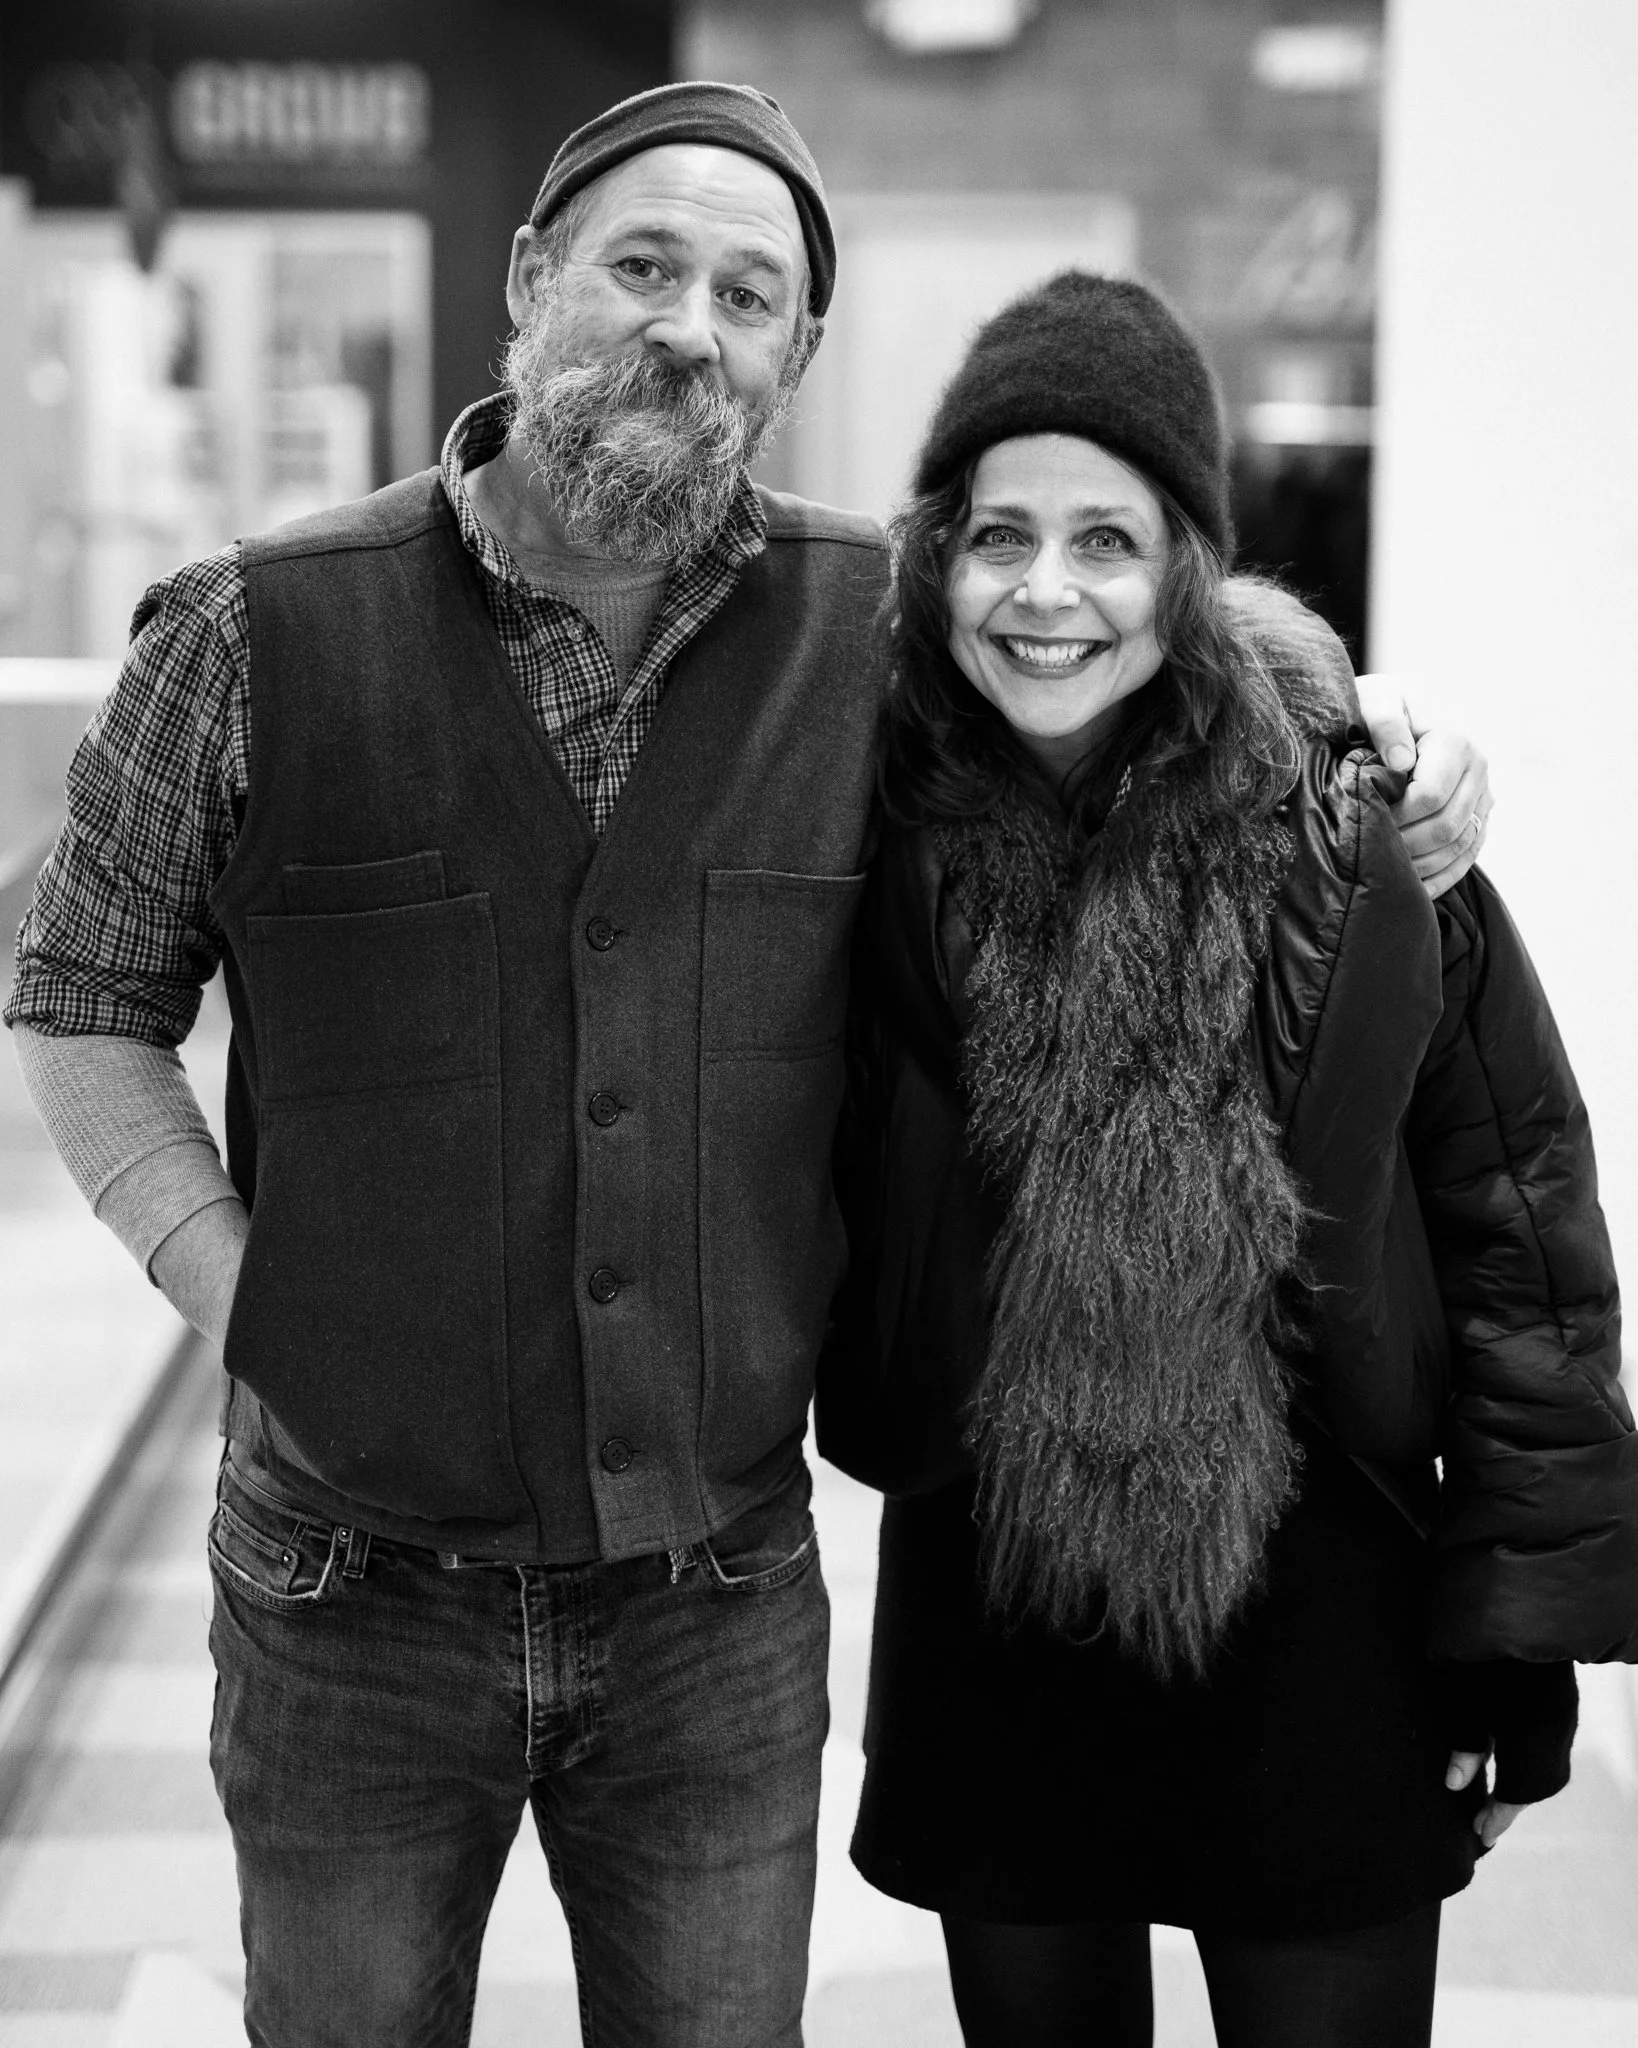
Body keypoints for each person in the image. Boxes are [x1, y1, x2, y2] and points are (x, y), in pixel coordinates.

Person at [4, 81, 1488, 2047]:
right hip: (350, 1592)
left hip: (717, 1594)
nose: (687, 326)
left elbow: (1128, 650)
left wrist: (1360, 711)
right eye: (642, 265)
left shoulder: (873, 628)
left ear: (796, 352)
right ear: (531, 282)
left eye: (747, 292)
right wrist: (240, 1283)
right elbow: (82, 991)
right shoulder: (250, 631)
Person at [815, 271, 1638, 2048]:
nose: (1046, 592)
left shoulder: (1363, 835)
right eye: (998, 536)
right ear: (932, 559)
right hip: (995, 1595)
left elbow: (1520, 1239)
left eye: (1106, 539)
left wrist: (1518, 1634)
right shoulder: (859, 835)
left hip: (1318, 1613)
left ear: (1184, 567)